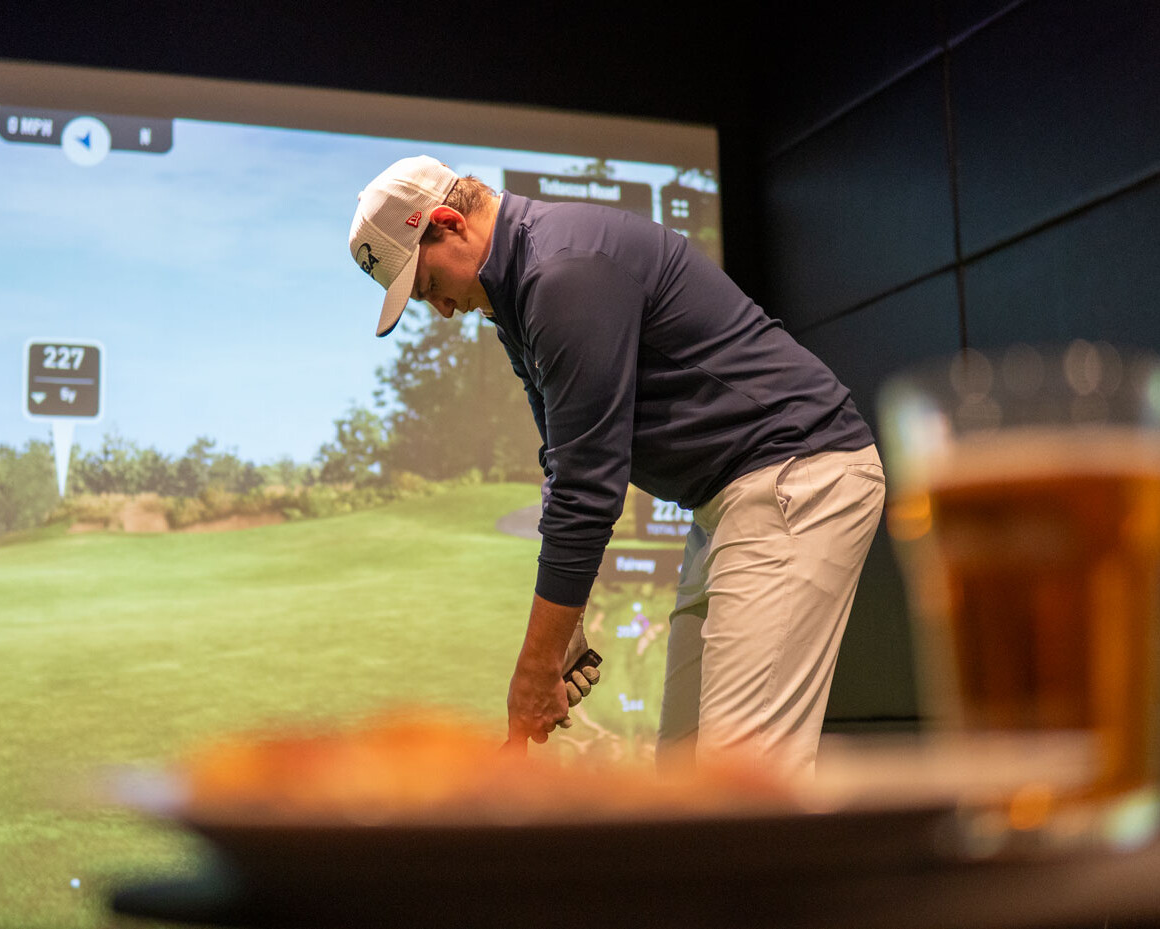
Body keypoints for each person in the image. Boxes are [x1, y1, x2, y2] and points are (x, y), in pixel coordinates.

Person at [348, 155, 885, 780]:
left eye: (427, 283)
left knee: (743, 788)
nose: (439, 308)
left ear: (448, 223)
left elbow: (588, 485)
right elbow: (564, 462)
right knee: (683, 781)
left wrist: (536, 669)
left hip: (797, 478)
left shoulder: (563, 270)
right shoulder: (517, 299)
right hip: (733, 501)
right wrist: (563, 631)